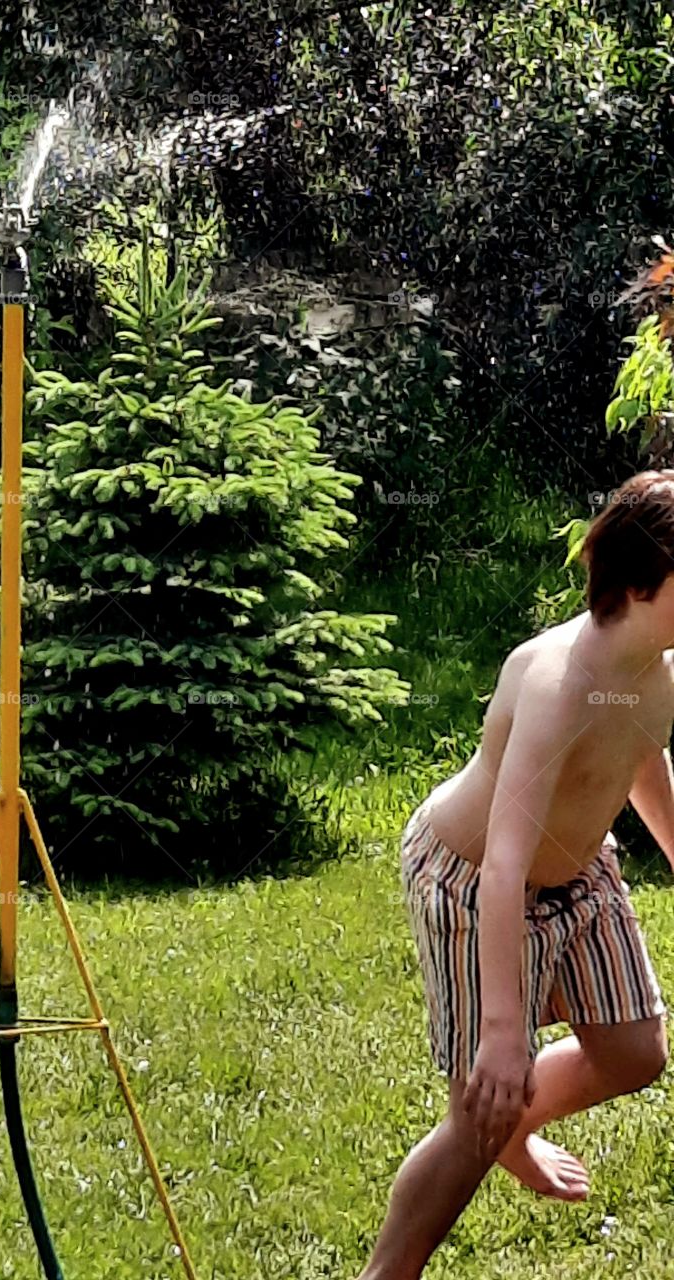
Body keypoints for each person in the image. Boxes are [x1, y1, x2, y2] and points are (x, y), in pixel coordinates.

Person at [359, 469, 674, 1280]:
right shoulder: (557, 684)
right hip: (473, 881)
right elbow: (502, 864)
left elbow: (638, 760)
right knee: (480, 1117)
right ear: (644, 584)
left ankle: (509, 1123)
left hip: (579, 873)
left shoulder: (655, 672)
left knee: (636, 1051)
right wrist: (505, 1038)